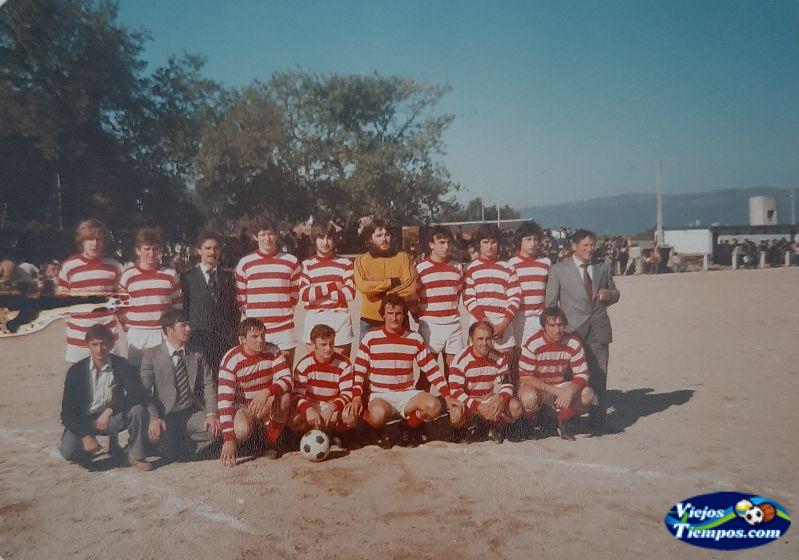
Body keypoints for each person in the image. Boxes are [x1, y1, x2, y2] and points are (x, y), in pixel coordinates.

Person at [350, 294, 462, 448]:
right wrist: (356, 397)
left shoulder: (414, 338)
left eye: (398, 314)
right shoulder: (370, 338)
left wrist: (447, 395)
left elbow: (431, 369)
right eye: (390, 314)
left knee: (434, 407)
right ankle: (374, 428)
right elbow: (359, 371)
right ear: (383, 315)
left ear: (403, 315)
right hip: (380, 394)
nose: (394, 318)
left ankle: (408, 426)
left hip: (407, 394)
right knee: (377, 415)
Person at [544, 229, 620, 433]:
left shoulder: (602, 267)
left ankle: (598, 422)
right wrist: (556, 330)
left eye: (592, 245)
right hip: (571, 333)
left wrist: (609, 295)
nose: (590, 249)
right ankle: (569, 420)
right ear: (573, 246)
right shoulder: (558, 270)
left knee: (599, 375)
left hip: (599, 330)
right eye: (585, 245)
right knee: (570, 378)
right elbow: (550, 304)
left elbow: (616, 293)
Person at [59, 324, 151, 471]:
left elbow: (138, 393)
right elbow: (67, 414)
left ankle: (134, 455)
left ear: (110, 344)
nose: (99, 349)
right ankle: (87, 452)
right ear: (88, 345)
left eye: (103, 344)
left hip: (111, 418)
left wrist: (110, 411)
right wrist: (85, 435)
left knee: (138, 410)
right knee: (67, 451)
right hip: (86, 420)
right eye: (94, 344)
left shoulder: (121, 365)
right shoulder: (76, 371)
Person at [139, 310, 220, 462]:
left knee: (215, 430)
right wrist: (154, 417)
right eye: (183, 326)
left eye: (188, 325)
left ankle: (179, 448)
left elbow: (209, 384)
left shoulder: (197, 353)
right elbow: (143, 392)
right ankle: (174, 446)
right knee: (156, 437)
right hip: (165, 415)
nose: (188, 329)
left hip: (190, 412)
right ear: (170, 330)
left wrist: (211, 415)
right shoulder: (152, 355)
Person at [217, 318, 293, 465]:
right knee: (241, 431)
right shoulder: (231, 359)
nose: (260, 341)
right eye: (255, 337)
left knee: (285, 397)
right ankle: (253, 440)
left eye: (263, 336)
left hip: (265, 403)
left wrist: (266, 392)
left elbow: (288, 379)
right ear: (242, 340)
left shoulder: (273, 350)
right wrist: (228, 439)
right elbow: (224, 401)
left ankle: (272, 442)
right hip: (244, 409)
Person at [517, 307, 595, 440]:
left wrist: (568, 392)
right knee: (528, 398)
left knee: (587, 394)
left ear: (565, 326)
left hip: (559, 386)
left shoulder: (573, 342)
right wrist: (556, 391)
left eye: (560, 325)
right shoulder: (532, 343)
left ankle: (563, 419)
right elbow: (525, 376)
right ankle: (533, 422)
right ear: (543, 327)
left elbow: (582, 374)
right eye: (552, 325)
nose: (557, 330)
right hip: (538, 388)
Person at [235, 220, 300, 366]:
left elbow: (294, 296)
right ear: (255, 236)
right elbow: (242, 299)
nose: (267, 238)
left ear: (277, 234)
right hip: (256, 332)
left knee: (286, 379)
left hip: (284, 332)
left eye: (270, 233)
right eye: (262, 234)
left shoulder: (291, 261)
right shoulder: (245, 264)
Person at [57, 218, 122, 363]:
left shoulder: (114, 266)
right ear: (82, 241)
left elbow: (120, 300)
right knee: (81, 381)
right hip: (79, 338)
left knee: (109, 380)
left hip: (107, 337)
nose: (95, 243)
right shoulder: (70, 266)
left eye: (99, 239)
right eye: (90, 239)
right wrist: (73, 323)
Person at [448, 321, 523, 442]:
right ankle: (462, 430)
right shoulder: (460, 359)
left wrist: (500, 398)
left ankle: (494, 426)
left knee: (515, 407)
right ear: (471, 339)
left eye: (488, 339)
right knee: (455, 414)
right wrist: (478, 406)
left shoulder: (499, 357)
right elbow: (456, 391)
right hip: (470, 402)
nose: (484, 343)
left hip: (490, 401)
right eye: (480, 339)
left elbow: (507, 385)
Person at [118, 227, 182, 367]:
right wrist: (131, 328)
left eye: (155, 249)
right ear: (138, 250)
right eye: (147, 249)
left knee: (163, 379)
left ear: (159, 251)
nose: (151, 253)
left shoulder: (170, 275)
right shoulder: (128, 276)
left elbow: (177, 307)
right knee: (137, 379)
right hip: (137, 335)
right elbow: (120, 309)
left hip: (162, 334)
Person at [180, 232, 239, 374]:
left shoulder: (229, 277)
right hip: (199, 339)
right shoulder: (187, 278)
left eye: (215, 248)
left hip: (225, 341)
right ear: (199, 250)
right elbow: (184, 308)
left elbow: (234, 309)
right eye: (207, 248)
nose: (212, 252)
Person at [414, 225, 464, 385]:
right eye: (441, 242)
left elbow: (457, 294)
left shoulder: (457, 268)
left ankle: (451, 408)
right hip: (430, 325)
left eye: (448, 243)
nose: (446, 247)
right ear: (431, 244)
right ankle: (422, 408)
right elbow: (414, 298)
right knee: (427, 374)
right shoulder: (420, 268)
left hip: (453, 325)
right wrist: (420, 318)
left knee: (453, 373)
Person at [289, 324, 358, 436]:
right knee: (294, 420)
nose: (328, 348)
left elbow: (347, 394)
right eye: (323, 345)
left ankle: (338, 436)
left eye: (331, 344)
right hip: (311, 405)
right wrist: (308, 410)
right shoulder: (304, 364)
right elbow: (297, 395)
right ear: (312, 345)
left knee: (350, 416)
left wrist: (331, 408)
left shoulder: (344, 364)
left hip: (332, 405)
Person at [463, 224, 521, 357]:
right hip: (480, 326)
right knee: (479, 370)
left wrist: (503, 325)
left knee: (505, 373)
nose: (490, 246)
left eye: (493, 242)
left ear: (499, 243)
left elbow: (515, 298)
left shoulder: (508, 268)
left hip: (503, 328)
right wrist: (486, 323)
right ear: (479, 244)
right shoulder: (470, 268)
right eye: (485, 242)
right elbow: (469, 299)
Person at [353, 219, 416, 340]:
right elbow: (363, 286)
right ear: (370, 238)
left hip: (399, 319)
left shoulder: (403, 257)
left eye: (387, 235)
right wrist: (391, 282)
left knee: (402, 358)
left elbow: (411, 284)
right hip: (370, 322)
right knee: (367, 359)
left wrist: (386, 293)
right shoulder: (361, 260)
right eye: (379, 235)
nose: (384, 239)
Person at [299, 224, 356, 356]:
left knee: (341, 367)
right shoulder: (307, 264)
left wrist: (317, 292)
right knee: (315, 368)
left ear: (334, 240)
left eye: (329, 238)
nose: (325, 242)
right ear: (314, 239)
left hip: (339, 318)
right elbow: (305, 295)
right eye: (321, 237)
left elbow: (349, 294)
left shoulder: (345, 263)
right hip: (315, 318)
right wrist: (333, 286)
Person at [508, 220, 551, 348]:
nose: (532, 243)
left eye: (535, 239)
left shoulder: (546, 263)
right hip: (518, 318)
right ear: (520, 241)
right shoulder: (511, 264)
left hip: (539, 318)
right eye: (528, 239)